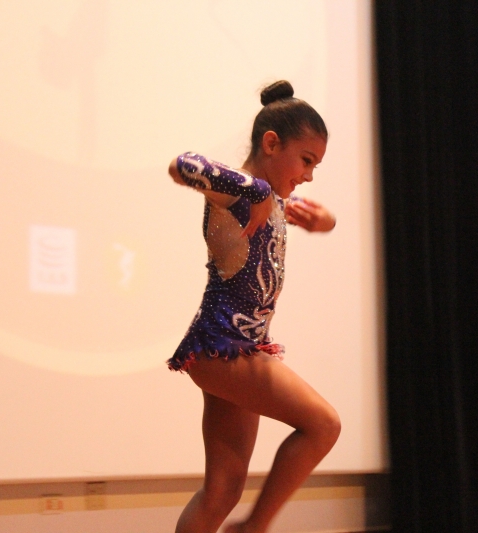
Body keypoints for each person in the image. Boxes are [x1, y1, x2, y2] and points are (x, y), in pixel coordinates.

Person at [166, 80, 341, 533]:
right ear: (271, 143)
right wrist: (258, 190)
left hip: (235, 349)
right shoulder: (240, 192)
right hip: (222, 347)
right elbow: (182, 165)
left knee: (222, 490)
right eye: (306, 160)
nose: (308, 175)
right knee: (324, 425)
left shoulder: (273, 199)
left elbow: (313, 213)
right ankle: (254, 528)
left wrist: (324, 220)